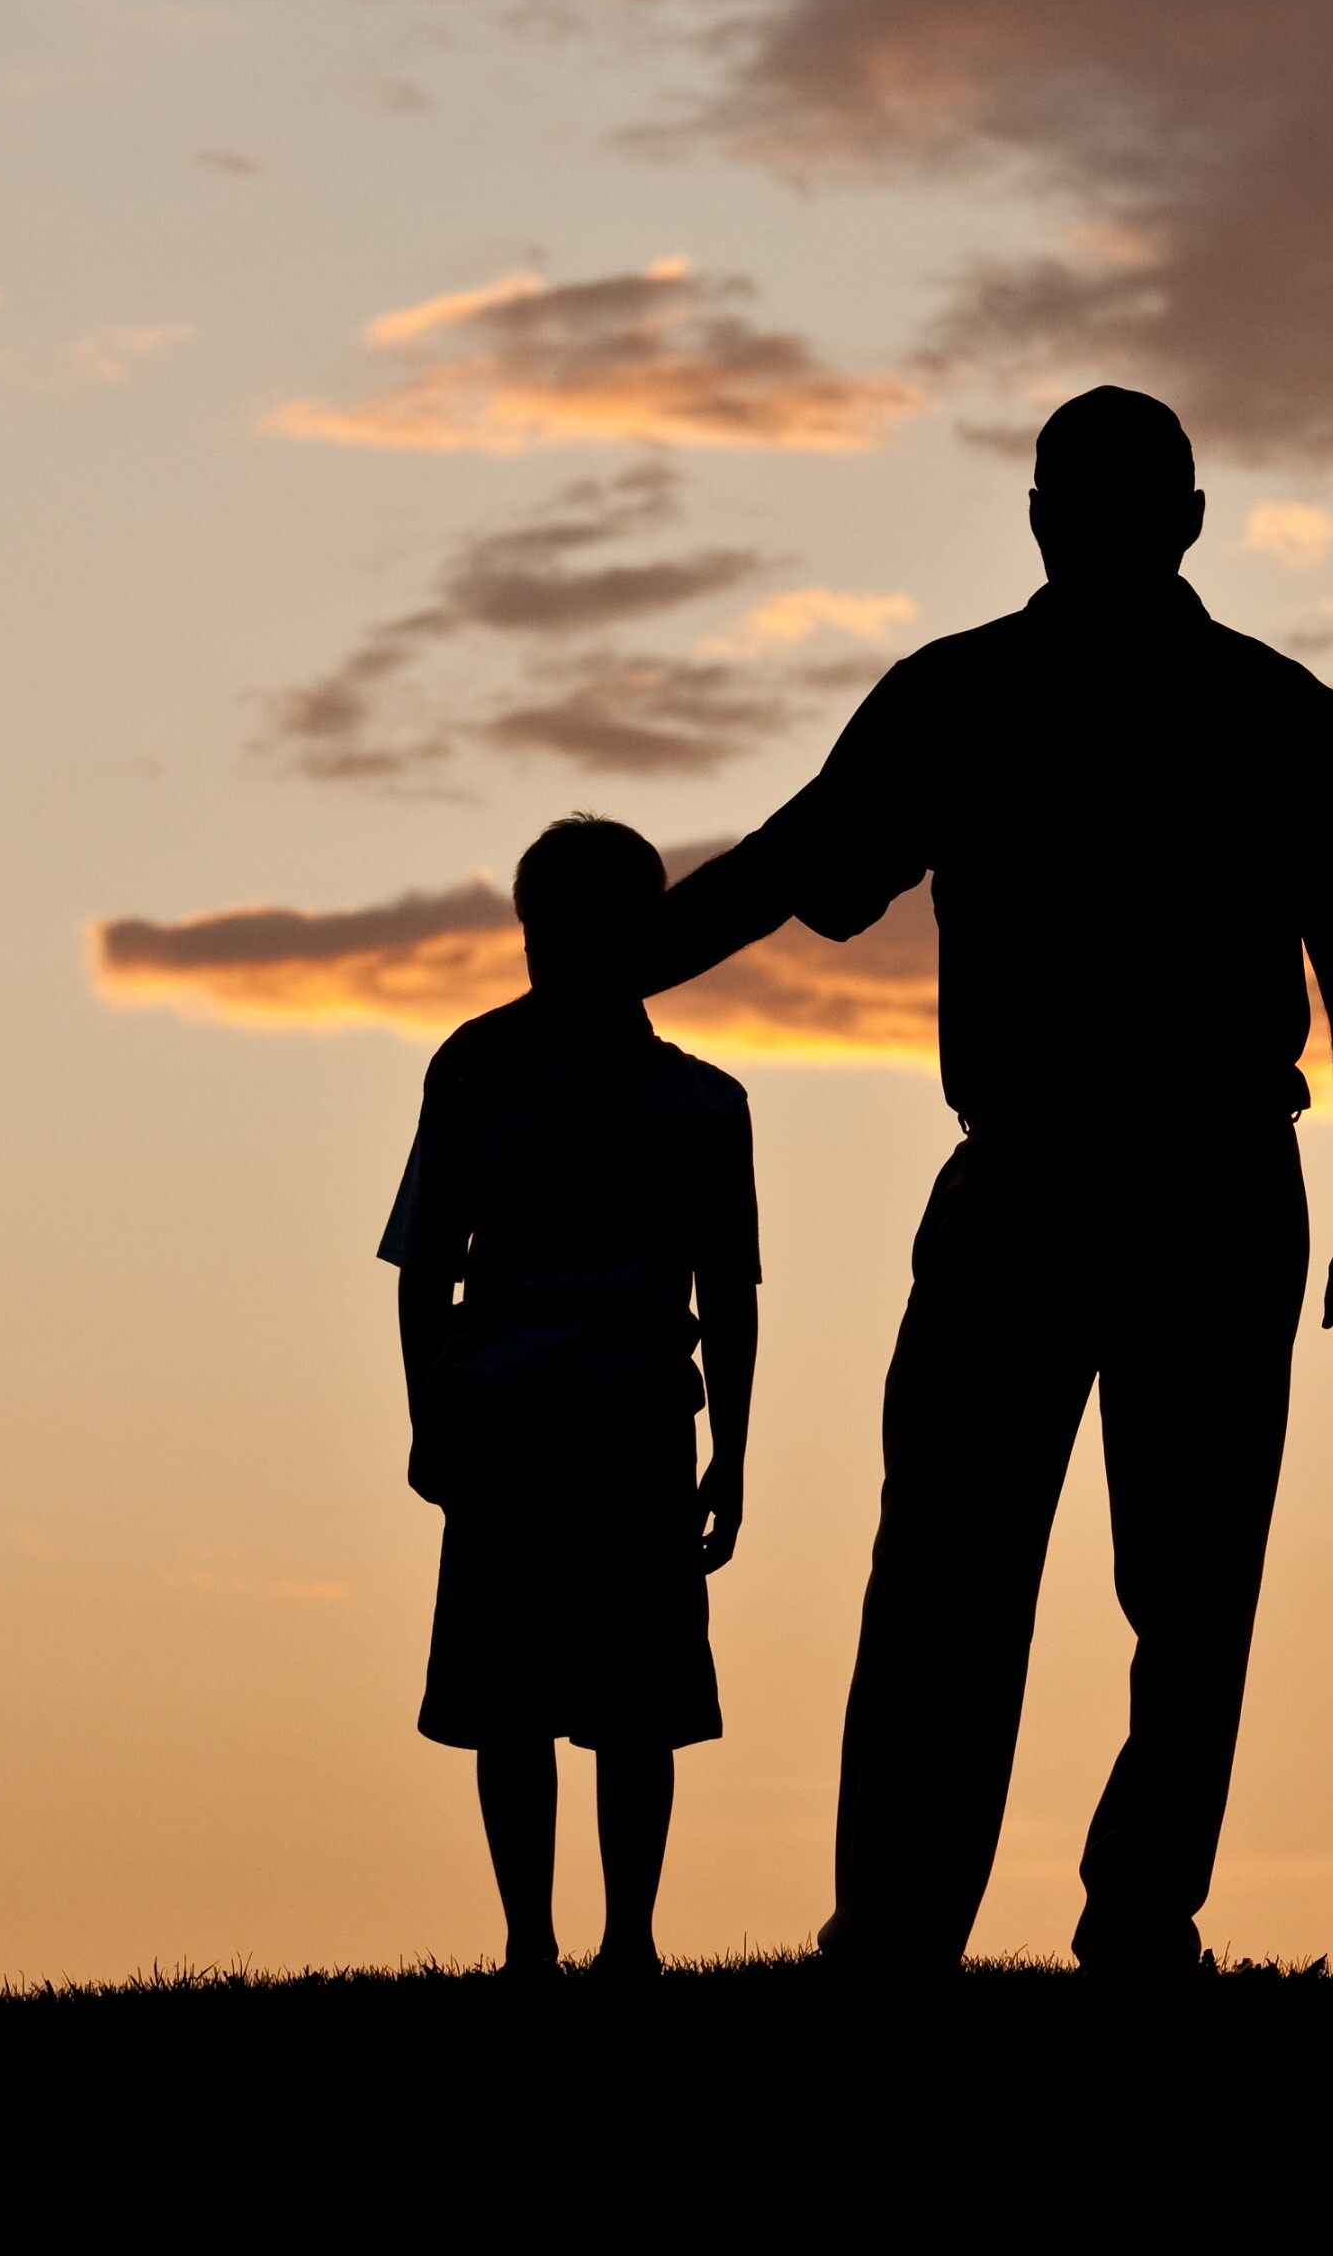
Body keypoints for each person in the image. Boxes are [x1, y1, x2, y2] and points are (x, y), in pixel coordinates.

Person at [638, 384, 1333, 1977]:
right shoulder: (1021, 696)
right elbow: (802, 860)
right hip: (1090, 1179)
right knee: (990, 1568)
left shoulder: (1209, 706)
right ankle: (954, 1921)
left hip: (1168, 1175)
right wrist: (617, 975)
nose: (1104, 522)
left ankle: (1073, 1913)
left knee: (1113, 1575)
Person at [378, 814, 761, 1980]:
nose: (553, 946)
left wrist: (729, 1456)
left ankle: (604, 1939)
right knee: (550, 1696)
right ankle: (553, 1940)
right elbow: (428, 1261)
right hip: (545, 1418)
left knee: (591, 1697)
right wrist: (428, 1413)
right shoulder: (494, 1068)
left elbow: (727, 1290)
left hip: (608, 1419)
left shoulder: (690, 1098)